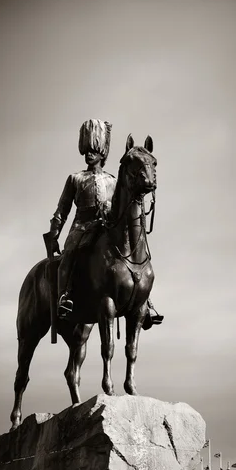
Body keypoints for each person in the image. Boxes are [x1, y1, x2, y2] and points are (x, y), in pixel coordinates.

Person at [47, 119, 163, 329]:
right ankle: (64, 297)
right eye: (87, 150)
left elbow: (121, 204)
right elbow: (62, 211)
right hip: (81, 227)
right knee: (69, 257)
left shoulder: (112, 180)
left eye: (94, 149)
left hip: (106, 226)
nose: (89, 154)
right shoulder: (75, 179)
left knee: (134, 253)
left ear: (102, 152)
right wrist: (54, 234)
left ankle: (143, 301)